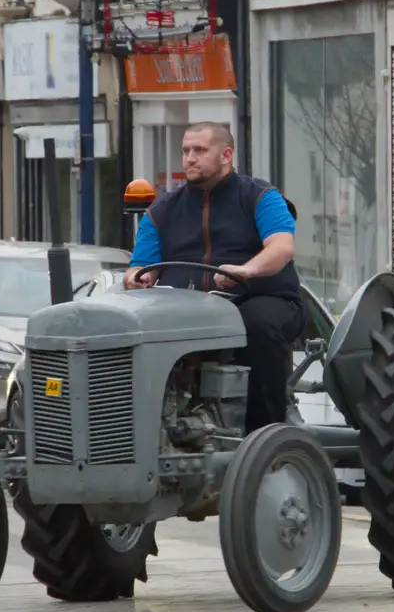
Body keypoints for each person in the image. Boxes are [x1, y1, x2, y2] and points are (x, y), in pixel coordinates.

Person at [124, 121, 304, 433]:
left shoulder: (260, 196)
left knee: (257, 324)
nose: (189, 158)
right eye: (185, 151)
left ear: (226, 155)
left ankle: (263, 435)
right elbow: (141, 265)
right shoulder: (162, 210)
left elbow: (281, 247)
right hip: (189, 309)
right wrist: (136, 278)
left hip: (262, 299)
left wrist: (247, 270)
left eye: (199, 150)